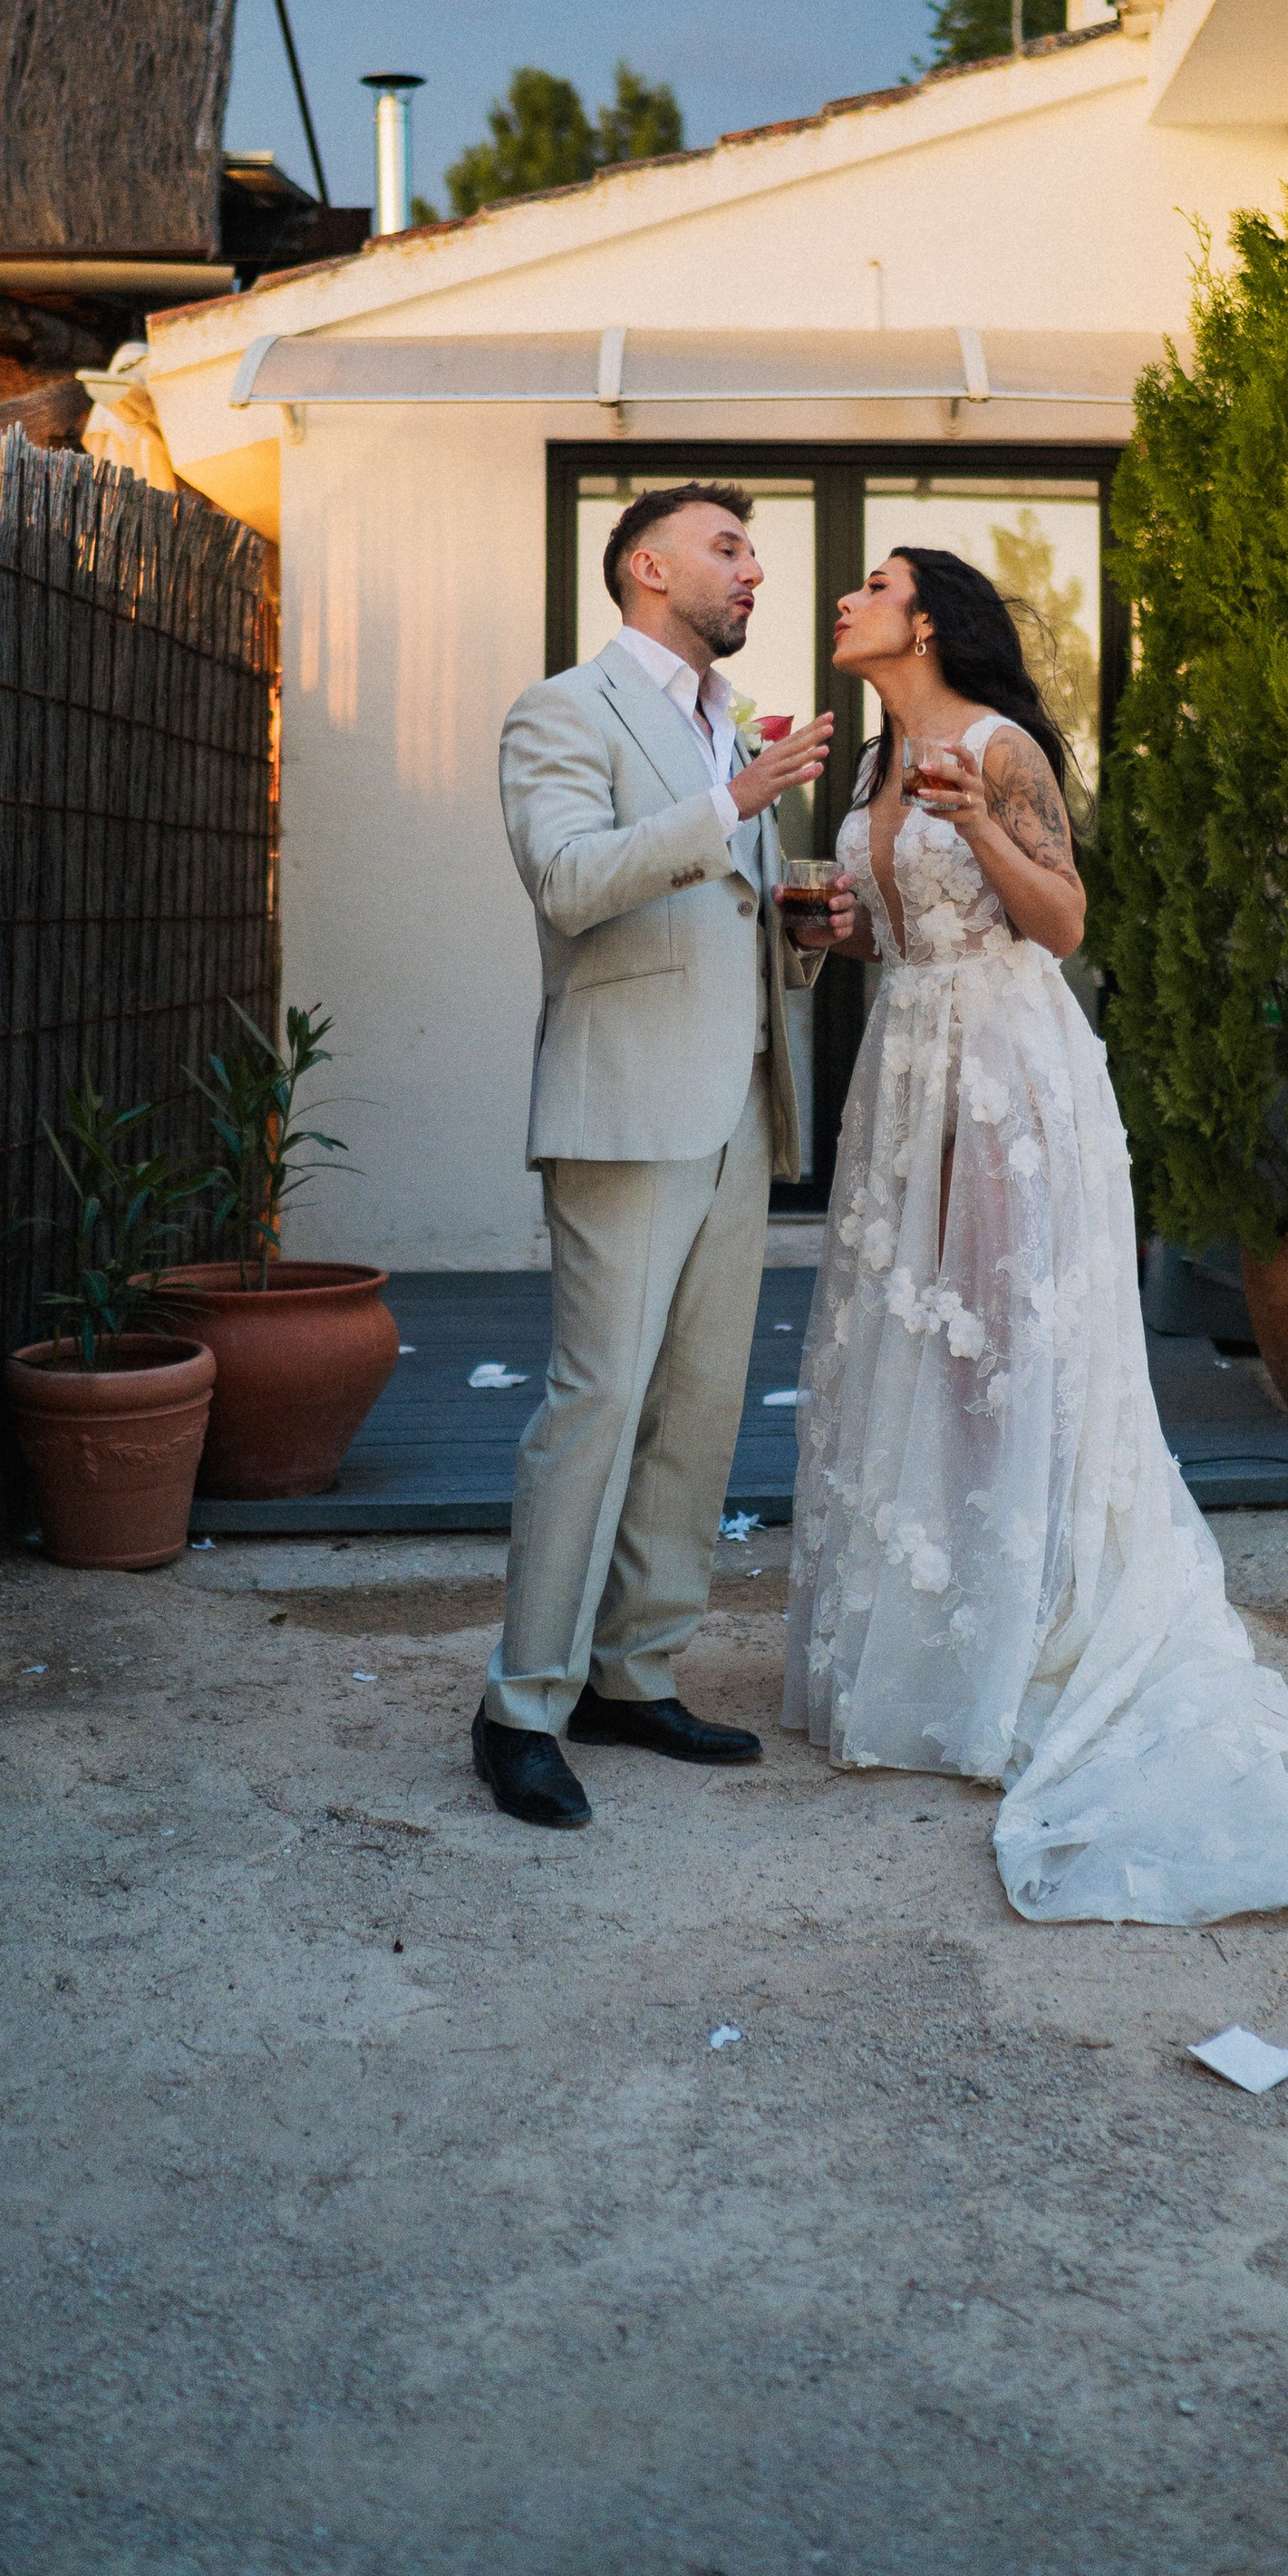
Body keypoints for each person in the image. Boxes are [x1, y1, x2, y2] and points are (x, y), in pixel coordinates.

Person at [784, 545, 1288, 1926]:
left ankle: (1032, 1638)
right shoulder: (872, 766)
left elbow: (1062, 920)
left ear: (931, 621)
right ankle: (937, 1638)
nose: (847, 599)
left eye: (876, 584)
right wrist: (844, 924)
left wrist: (975, 827)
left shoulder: (998, 745)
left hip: (1014, 1077)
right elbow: (905, 938)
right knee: (927, 1352)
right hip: (907, 1080)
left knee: (1020, 1354)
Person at [476, 482, 834, 1830]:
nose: (754, 573)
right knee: (597, 1404)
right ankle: (521, 1702)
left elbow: (724, 912)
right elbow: (569, 881)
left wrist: (806, 931)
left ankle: (632, 1671)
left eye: (754, 553)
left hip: (739, 1106)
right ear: (645, 566)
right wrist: (734, 796)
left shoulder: (721, 726)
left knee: (698, 1408)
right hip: (624, 1107)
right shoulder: (562, 710)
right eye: (729, 549)